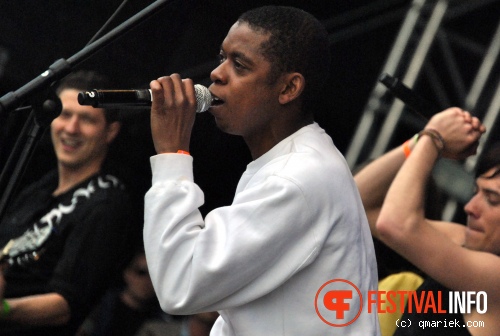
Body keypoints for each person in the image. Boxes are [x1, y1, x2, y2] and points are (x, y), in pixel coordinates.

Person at [143, 5, 380, 335]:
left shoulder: (296, 178)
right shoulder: (291, 162)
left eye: (239, 65)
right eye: (222, 57)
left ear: (288, 89)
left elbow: (180, 284)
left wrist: (172, 154)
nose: (217, 74)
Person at [0, 70, 140, 335]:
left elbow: (65, 304)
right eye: (64, 114)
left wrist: (5, 309)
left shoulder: (107, 204)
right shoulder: (42, 185)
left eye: (86, 119)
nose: (71, 128)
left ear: (110, 131)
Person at [354, 107, 500, 335]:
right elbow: (359, 203)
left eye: (492, 200)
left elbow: (395, 224)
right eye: (475, 192)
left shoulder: (495, 279)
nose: (470, 207)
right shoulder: (462, 239)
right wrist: (419, 140)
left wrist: (434, 138)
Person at [76, 247, 183, 336]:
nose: (147, 280)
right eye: (141, 272)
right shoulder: (99, 307)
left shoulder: (162, 318)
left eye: (154, 276)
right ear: (127, 273)